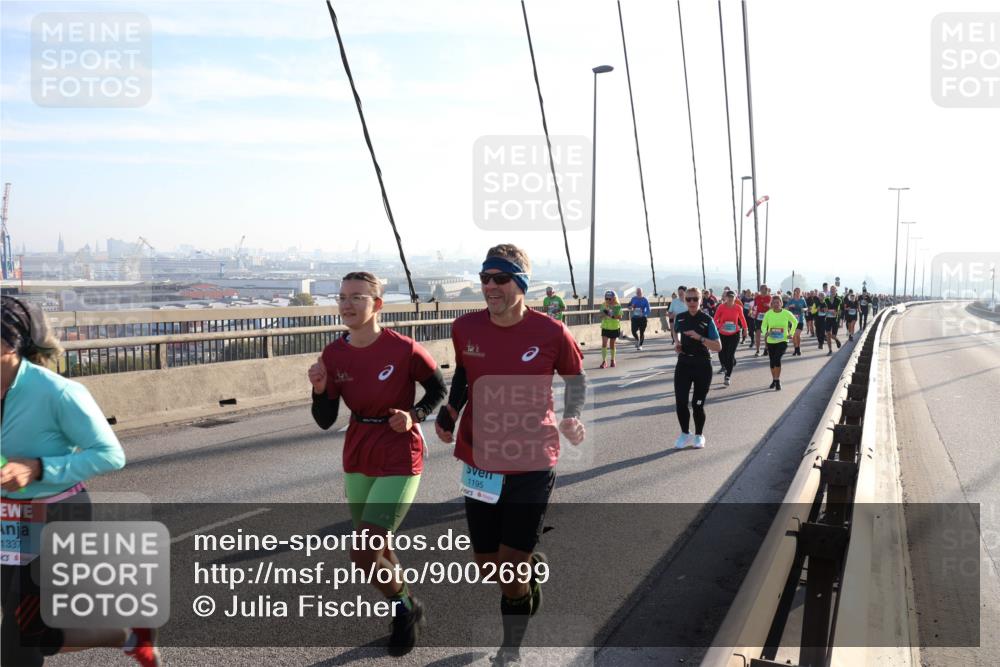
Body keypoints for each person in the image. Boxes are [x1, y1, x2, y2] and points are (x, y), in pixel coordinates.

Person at [434, 244, 586, 666]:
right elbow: (464, 373)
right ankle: (528, 573)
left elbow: (575, 378)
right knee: (488, 567)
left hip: (533, 460)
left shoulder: (552, 332)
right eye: (485, 278)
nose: (490, 287)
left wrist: (572, 416)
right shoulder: (465, 328)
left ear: (521, 283)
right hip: (479, 461)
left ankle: (510, 648)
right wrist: (450, 412)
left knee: (508, 569)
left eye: (500, 278)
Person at [0, 297, 159, 667]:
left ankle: (127, 632)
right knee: (27, 633)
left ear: (9, 344)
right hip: (7, 517)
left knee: (22, 641)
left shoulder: (58, 393)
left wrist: (39, 468)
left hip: (53, 515)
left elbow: (109, 454)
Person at [309, 272, 447, 656]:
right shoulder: (333, 354)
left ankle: (405, 608)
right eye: (341, 297)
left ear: (378, 305)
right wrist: (320, 389)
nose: (346, 305)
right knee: (379, 546)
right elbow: (324, 419)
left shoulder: (404, 349)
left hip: (399, 452)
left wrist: (414, 414)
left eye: (357, 297)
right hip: (358, 451)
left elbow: (438, 389)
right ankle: (404, 608)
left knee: (362, 551)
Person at [672, 288, 722, 449]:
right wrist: (677, 344)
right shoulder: (680, 318)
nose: (692, 302)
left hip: (702, 364)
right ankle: (685, 434)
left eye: (695, 299)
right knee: (680, 402)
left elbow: (718, 346)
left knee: (697, 404)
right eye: (689, 299)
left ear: (701, 300)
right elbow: (676, 333)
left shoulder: (707, 320)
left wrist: (700, 337)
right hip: (684, 363)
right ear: (684, 301)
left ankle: (699, 435)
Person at [761, 294, 799, 390]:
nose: (776, 304)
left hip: (782, 340)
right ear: (771, 304)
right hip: (771, 340)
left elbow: (795, 322)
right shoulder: (768, 314)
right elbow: (763, 325)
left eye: (778, 302)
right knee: (772, 361)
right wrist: (765, 332)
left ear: (781, 303)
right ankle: (774, 379)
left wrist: (791, 333)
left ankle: (777, 380)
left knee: (777, 359)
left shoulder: (786, 313)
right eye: (773, 303)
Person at [713, 290, 748, 386]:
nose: (730, 298)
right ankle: (727, 364)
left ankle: (727, 376)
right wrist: (720, 326)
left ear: (735, 298)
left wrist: (745, 329)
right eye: (729, 297)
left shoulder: (738, 307)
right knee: (722, 354)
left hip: (734, 334)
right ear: (725, 298)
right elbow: (715, 319)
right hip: (722, 334)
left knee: (730, 355)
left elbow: (742, 318)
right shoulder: (721, 307)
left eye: (732, 297)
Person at [599, 290, 623, 368]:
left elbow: (620, 317)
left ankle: (613, 360)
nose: (608, 300)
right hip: (605, 326)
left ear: (614, 298)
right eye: (606, 298)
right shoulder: (603, 305)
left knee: (612, 344)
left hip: (614, 327)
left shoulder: (617, 306)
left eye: (609, 299)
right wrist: (604, 313)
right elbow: (600, 315)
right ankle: (604, 361)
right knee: (604, 344)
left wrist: (612, 315)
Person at [785, 288, 808, 356]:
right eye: (796, 291)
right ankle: (796, 349)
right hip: (792, 321)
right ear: (794, 292)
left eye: (799, 291)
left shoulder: (802, 300)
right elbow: (785, 308)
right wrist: (790, 306)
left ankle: (798, 348)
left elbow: (806, 308)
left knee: (797, 335)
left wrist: (804, 309)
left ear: (800, 292)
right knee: (794, 336)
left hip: (800, 320)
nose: (798, 293)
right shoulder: (791, 300)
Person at [753, 285, 772, 357]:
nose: (761, 289)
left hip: (766, 317)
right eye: (760, 288)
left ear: (766, 289)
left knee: (766, 334)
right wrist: (752, 312)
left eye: (763, 288)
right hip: (758, 317)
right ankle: (757, 350)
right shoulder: (757, 297)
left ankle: (766, 348)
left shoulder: (769, 297)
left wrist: (768, 305)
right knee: (757, 334)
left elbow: (772, 307)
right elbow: (754, 306)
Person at [824, 286, 844, 355]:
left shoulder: (839, 300)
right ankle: (830, 350)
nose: (832, 291)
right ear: (830, 291)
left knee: (833, 335)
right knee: (828, 334)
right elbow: (823, 308)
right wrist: (825, 310)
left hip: (835, 319)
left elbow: (841, 311)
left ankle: (836, 339)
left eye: (833, 290)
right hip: (828, 319)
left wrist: (836, 312)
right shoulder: (826, 299)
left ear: (836, 291)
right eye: (831, 290)